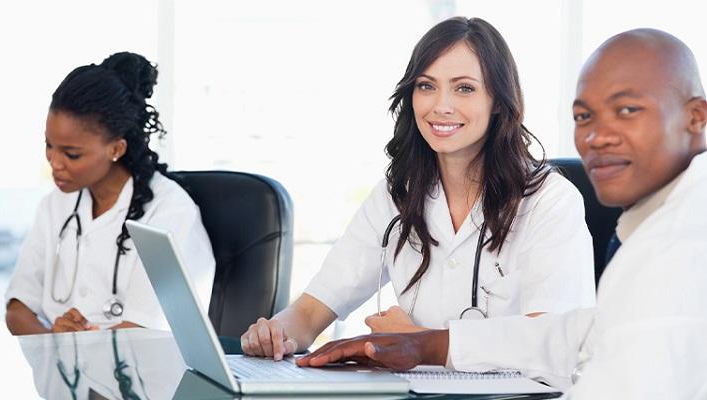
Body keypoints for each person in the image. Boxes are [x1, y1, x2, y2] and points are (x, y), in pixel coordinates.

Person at [297, 28, 707, 398]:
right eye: (583, 117)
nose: (597, 136)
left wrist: (424, 341)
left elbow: (601, 375)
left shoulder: (679, 249)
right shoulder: (654, 228)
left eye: (628, 110)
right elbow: (570, 337)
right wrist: (423, 344)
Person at [242, 16, 595, 361]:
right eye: (426, 86)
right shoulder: (397, 195)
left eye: (464, 88)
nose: (441, 106)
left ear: (499, 102)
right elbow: (309, 313)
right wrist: (275, 334)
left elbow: (555, 343)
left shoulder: (550, 202)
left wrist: (419, 342)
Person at [5, 52, 215, 334]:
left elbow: (144, 333)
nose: (54, 163)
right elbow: (18, 310)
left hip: (143, 374)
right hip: (63, 372)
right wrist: (56, 346)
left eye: (72, 154)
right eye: (49, 145)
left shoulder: (171, 212)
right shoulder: (56, 204)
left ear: (116, 149)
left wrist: (78, 346)